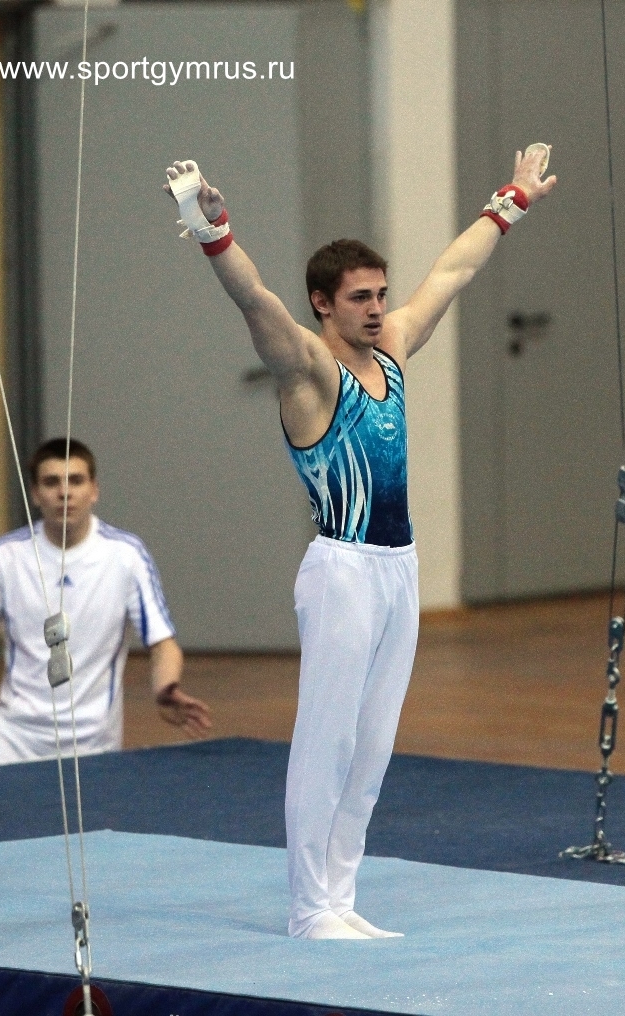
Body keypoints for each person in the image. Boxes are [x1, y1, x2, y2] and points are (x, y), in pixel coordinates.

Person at [163, 146, 556, 939]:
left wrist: (511, 200)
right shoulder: (308, 369)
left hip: (398, 567)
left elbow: (452, 273)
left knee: (373, 746)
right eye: (360, 298)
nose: (378, 309)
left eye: (380, 294)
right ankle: (308, 906)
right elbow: (254, 301)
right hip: (341, 567)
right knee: (329, 741)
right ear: (323, 303)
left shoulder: (395, 349)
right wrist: (213, 230)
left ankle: (340, 897)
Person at [0, 437, 211, 767]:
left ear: (94, 490)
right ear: (35, 494)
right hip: (5, 739)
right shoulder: (5, 555)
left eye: (76, 480)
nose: (64, 492)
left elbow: (163, 645)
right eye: (51, 482)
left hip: (90, 749)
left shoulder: (126, 556)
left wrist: (165, 689)